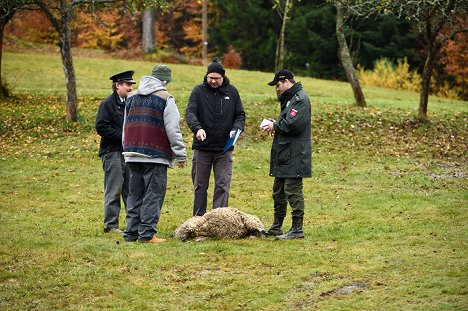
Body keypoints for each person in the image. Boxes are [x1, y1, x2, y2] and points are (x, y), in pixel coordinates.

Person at [122, 65, 186, 243]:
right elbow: (173, 129)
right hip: (155, 155)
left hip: (131, 152)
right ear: (165, 81)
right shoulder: (165, 98)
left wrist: (125, 149)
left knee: (134, 194)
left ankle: (131, 233)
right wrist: (180, 154)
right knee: (153, 194)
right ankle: (147, 234)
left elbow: (125, 126)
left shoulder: (131, 97)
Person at [186, 57, 246, 216]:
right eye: (210, 78)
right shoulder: (198, 91)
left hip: (224, 149)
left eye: (216, 78)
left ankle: (219, 219)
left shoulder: (232, 92)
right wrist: (197, 128)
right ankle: (198, 220)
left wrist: (236, 128)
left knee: (222, 185)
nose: (213, 81)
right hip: (202, 148)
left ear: (223, 77)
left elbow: (240, 115)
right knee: (200, 186)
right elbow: (190, 113)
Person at [262, 69, 312, 240]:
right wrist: (275, 123)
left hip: (295, 154)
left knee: (293, 191)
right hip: (284, 154)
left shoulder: (300, 99)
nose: (276, 88)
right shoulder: (290, 99)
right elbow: (287, 121)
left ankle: (297, 229)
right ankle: (277, 226)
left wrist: (275, 125)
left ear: (286, 82)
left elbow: (293, 124)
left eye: (278, 85)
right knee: (279, 191)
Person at [95, 70, 135, 234]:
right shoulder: (107, 104)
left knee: (130, 189)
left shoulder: (129, 103)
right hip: (112, 153)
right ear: (117, 85)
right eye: (127, 85)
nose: (130, 88)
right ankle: (111, 226)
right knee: (114, 190)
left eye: (131, 85)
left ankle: (133, 225)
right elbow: (101, 127)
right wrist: (124, 138)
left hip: (128, 154)